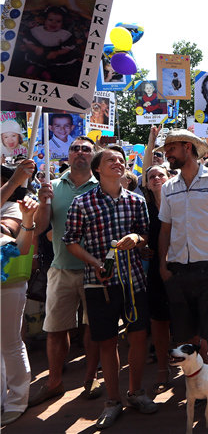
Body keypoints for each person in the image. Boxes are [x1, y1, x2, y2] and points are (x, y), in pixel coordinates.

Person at [63, 145, 156, 428]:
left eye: (121, 159)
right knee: (107, 341)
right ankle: (113, 401)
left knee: (139, 337)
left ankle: (136, 392)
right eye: (110, 160)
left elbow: (144, 235)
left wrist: (136, 239)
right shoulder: (81, 202)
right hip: (99, 283)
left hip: (133, 280)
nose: (118, 162)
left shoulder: (136, 201)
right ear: (97, 169)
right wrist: (94, 263)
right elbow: (70, 241)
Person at [156, 129, 208, 416]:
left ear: (187, 148)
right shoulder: (169, 187)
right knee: (186, 337)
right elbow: (165, 229)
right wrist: (163, 266)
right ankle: (201, 388)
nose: (167, 153)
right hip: (178, 271)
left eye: (171, 148)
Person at [29, 137, 102, 409]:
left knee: (93, 328)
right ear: (68, 155)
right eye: (75, 148)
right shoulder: (52, 187)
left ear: (92, 156)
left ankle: (90, 378)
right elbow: (38, 229)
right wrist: (44, 204)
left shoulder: (103, 185)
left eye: (86, 149)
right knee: (56, 330)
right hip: (60, 269)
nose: (80, 153)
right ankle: (54, 382)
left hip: (94, 269)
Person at [0, 165, 37, 427]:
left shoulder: (14, 208)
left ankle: (17, 400)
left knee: (10, 344)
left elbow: (20, 245)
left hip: (8, 286)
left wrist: (15, 182)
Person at [139, 163, 172, 394]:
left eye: (161, 174)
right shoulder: (143, 207)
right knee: (159, 321)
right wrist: (142, 248)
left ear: (170, 177)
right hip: (155, 271)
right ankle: (162, 368)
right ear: (147, 183)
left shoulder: (180, 202)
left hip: (181, 267)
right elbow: (139, 234)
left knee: (185, 320)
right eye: (152, 176)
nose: (157, 178)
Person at [17, 5, 81, 82]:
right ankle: (34, 68)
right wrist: (35, 48)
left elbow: (67, 47)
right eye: (50, 20)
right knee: (30, 58)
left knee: (58, 66)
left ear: (63, 23)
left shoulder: (64, 35)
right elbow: (28, 41)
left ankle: (48, 73)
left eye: (58, 21)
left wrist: (57, 52)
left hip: (55, 54)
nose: (53, 23)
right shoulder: (36, 31)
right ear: (45, 20)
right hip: (38, 52)